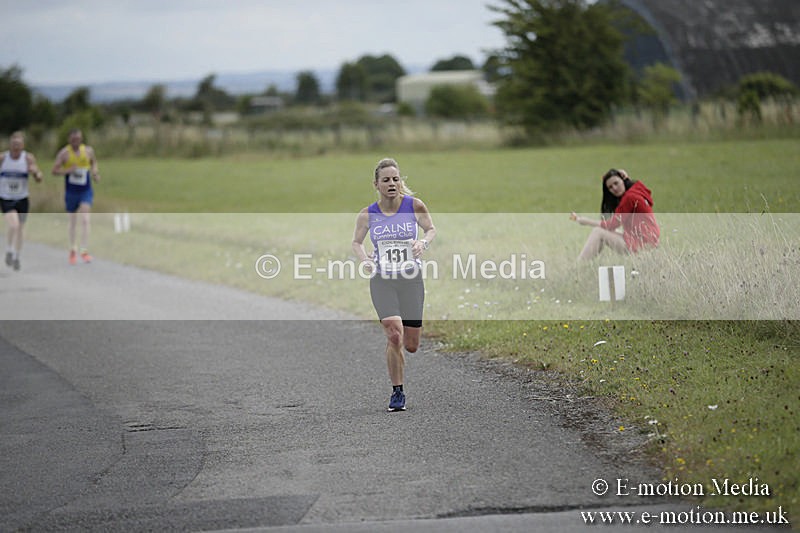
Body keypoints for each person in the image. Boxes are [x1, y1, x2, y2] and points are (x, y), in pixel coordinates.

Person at [352, 158, 436, 412]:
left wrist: (422, 243)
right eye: (386, 180)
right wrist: (365, 260)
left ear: (400, 182)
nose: (391, 183)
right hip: (382, 280)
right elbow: (356, 243)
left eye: (395, 179)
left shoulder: (414, 205)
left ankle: (401, 351)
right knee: (394, 333)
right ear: (376, 184)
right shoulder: (368, 214)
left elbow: (430, 229)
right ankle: (397, 392)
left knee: (411, 344)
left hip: (411, 279)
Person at [570, 168, 659, 261]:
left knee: (598, 232)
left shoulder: (629, 198)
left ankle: (579, 265)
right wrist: (626, 178)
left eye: (616, 183)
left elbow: (612, 225)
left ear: (622, 180)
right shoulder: (637, 189)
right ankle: (584, 262)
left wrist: (585, 221)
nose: (615, 188)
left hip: (642, 245)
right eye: (610, 187)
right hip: (649, 241)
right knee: (604, 231)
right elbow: (639, 185)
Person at [52, 129, 101, 264]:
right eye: (73, 139)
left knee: (85, 219)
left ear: (81, 139)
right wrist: (67, 171)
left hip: (85, 190)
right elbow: (54, 170)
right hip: (71, 192)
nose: (76, 142)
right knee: (73, 222)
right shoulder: (64, 153)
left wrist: (95, 173)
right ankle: (72, 250)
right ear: (69, 139)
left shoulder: (88, 151)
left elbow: (94, 163)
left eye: (78, 139)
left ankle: (84, 250)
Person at [1, 132, 44, 271]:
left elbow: (39, 177)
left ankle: (17, 256)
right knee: (14, 225)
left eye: (18, 145)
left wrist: (35, 173)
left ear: (23, 146)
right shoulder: (3, 158)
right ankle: (9, 250)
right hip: (6, 198)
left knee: (20, 228)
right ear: (10, 145)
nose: (16, 147)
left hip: (22, 198)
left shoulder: (28, 158)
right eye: (14, 144)